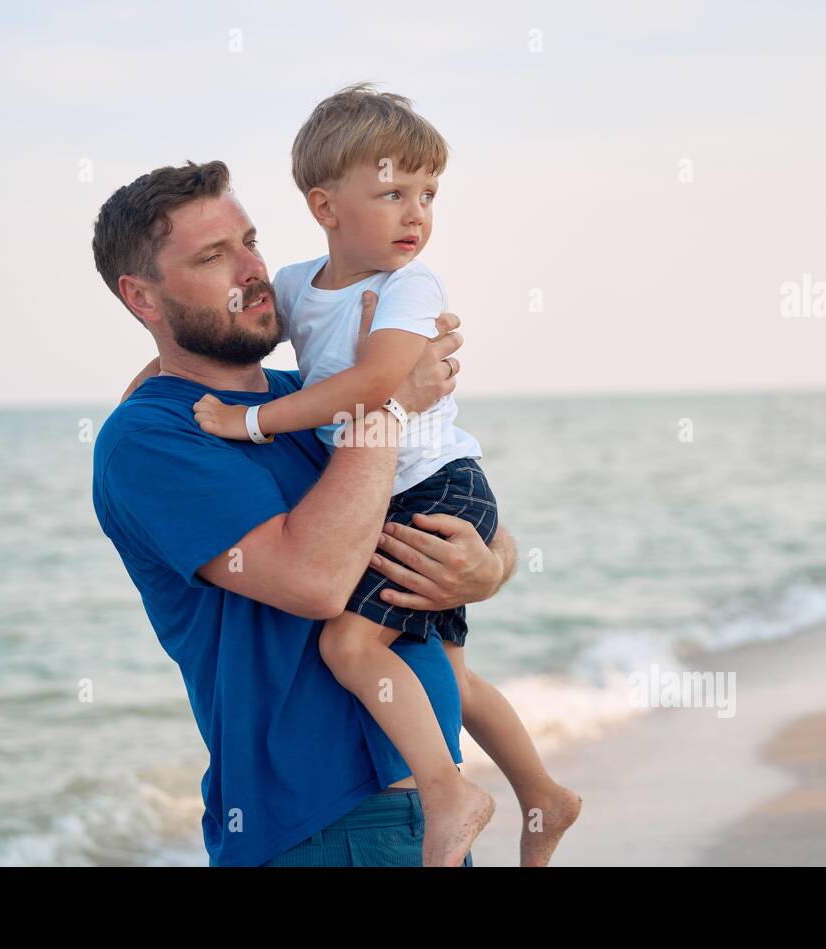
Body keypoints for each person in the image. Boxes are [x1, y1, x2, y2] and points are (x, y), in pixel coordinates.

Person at [191, 85, 582, 866]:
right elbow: (229, 337)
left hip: (437, 484)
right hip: (395, 488)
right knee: (451, 674)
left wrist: (255, 421)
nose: (416, 215)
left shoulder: (410, 287)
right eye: (392, 192)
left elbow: (374, 388)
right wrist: (151, 380)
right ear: (325, 205)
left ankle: (446, 793)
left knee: (350, 647)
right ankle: (543, 794)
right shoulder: (301, 286)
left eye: (429, 194)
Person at [91, 158, 514, 866]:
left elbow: (460, 498)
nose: (252, 269)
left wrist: (487, 569)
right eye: (212, 256)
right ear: (144, 298)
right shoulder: (149, 439)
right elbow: (315, 580)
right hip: (321, 827)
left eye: (249, 240)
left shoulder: (308, 397)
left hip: (431, 815)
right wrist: (384, 403)